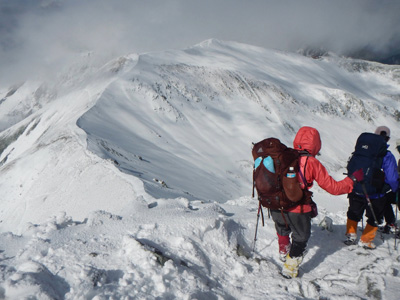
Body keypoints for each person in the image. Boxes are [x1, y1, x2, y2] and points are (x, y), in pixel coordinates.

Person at [272, 126, 362, 279]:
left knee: (282, 227)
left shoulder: (282, 156)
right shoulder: (311, 162)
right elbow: (334, 188)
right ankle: (289, 268)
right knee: (301, 237)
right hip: (297, 209)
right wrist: (352, 179)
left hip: (275, 205)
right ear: (315, 144)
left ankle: (283, 251)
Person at [345, 126, 399, 249]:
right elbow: (391, 177)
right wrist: (394, 189)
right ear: (388, 139)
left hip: (357, 187)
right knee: (375, 216)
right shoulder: (386, 155)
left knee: (354, 212)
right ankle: (366, 240)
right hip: (376, 193)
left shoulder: (362, 149)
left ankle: (351, 234)